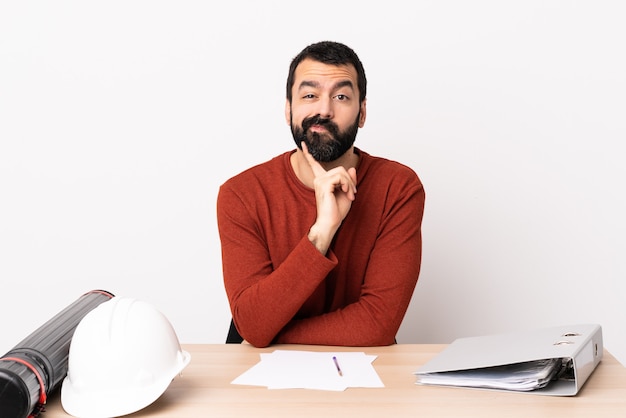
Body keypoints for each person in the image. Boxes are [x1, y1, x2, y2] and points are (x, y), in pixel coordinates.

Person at [217, 41, 425, 348]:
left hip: (364, 373)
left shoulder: (398, 188)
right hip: (262, 375)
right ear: (289, 110)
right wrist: (322, 232)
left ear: (362, 112)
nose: (324, 110)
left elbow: (378, 325)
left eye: (341, 96)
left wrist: (273, 333)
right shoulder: (241, 194)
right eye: (309, 95)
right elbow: (252, 323)